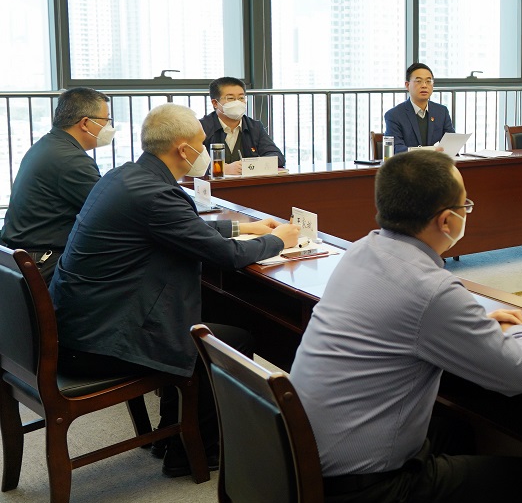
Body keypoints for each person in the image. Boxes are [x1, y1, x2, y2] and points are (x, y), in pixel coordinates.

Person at [289, 149, 522, 503]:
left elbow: (405, 321)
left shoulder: (362, 250)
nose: (467, 213)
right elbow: (521, 373)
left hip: (300, 476)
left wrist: (468, 328)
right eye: (466, 206)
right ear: (447, 220)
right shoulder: (432, 290)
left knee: (456, 430)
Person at [49, 103, 300, 476]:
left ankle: (173, 437)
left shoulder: (126, 176)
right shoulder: (156, 195)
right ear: (184, 149)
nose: (205, 149)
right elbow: (227, 256)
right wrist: (281, 240)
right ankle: (193, 450)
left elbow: (181, 227)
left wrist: (245, 228)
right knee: (228, 340)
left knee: (196, 322)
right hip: (102, 340)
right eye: (202, 142)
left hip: (81, 324)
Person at [1, 88, 116, 283]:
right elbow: (110, 211)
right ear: (85, 123)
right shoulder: (71, 159)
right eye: (106, 120)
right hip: (45, 264)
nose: (109, 127)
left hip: (21, 258)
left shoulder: (48, 145)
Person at [200, 76, 287, 174]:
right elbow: (192, 164)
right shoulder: (201, 128)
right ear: (215, 103)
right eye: (231, 98)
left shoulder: (254, 127)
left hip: (247, 182)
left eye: (241, 98)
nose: (237, 102)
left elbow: (277, 157)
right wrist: (221, 168)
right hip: (211, 182)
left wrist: (251, 165)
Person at [383, 62, 456, 150]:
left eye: (428, 81)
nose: (424, 85)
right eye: (418, 81)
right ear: (407, 85)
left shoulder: (441, 111)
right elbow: (396, 148)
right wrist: (428, 152)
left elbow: (451, 142)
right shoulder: (394, 115)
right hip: (409, 159)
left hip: (437, 159)